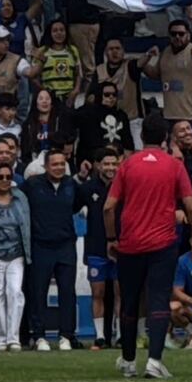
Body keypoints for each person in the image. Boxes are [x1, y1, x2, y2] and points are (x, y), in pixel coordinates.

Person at [105, 112, 192, 379]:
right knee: (159, 298)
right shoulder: (173, 165)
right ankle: (155, 360)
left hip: (131, 243)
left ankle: (128, 360)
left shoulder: (127, 165)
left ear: (142, 136)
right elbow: (191, 208)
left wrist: (112, 238)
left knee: (130, 302)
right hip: (162, 243)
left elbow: (109, 207)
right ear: (165, 138)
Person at [22, 149, 89, 351]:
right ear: (45, 166)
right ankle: (39, 335)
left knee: (68, 291)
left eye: (62, 164)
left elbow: (77, 206)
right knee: (38, 292)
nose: (59, 167)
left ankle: (66, 336)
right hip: (40, 246)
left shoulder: (71, 184)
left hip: (66, 245)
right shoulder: (32, 185)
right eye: (55, 164)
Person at [0, 161, 32, 352]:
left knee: (15, 293)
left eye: (8, 177)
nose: (4, 180)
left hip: (16, 253)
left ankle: (13, 337)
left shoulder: (20, 198)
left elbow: (26, 225)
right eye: (0, 177)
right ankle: (0, 338)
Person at [76, 149, 120, 349]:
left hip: (122, 247)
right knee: (98, 292)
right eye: (106, 164)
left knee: (121, 292)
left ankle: (120, 335)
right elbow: (73, 206)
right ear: (98, 165)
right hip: (95, 247)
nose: (110, 168)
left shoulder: (125, 186)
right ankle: (100, 336)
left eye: (114, 163)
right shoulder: (87, 188)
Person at [142, 20, 192, 128]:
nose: (177, 37)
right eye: (173, 34)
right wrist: (144, 59)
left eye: (181, 34)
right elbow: (154, 74)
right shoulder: (165, 52)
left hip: (191, 116)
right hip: (168, 116)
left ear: (188, 35)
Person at [74, 81, 133, 162]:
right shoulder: (88, 113)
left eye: (114, 94)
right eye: (107, 95)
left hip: (119, 158)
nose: (111, 97)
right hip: (94, 158)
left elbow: (128, 143)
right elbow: (89, 142)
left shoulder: (122, 115)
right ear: (99, 95)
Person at [32, 19, 82, 105]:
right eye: (55, 31)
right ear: (50, 33)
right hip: (49, 97)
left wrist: (75, 91)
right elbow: (33, 76)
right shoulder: (42, 51)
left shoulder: (73, 50)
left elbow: (78, 74)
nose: (59, 33)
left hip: (68, 97)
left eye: (62, 30)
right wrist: (43, 90)